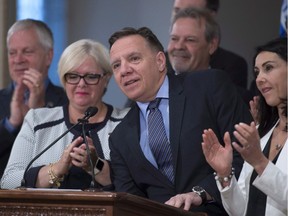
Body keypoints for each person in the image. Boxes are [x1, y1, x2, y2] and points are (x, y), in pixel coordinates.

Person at [108, 26, 253, 215]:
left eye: (134, 59)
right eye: (116, 65)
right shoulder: (120, 137)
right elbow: (128, 203)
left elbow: (247, 155)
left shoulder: (209, 87)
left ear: (160, 61)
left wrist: (200, 193)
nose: (124, 70)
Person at [175, 37, 287, 215]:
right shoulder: (262, 133)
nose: (259, 79)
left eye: (269, 68)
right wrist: (225, 175)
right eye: (257, 72)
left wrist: (259, 162)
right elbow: (240, 210)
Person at [1, 39, 129, 190]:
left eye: (91, 76)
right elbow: (8, 182)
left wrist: (97, 166)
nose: (81, 84)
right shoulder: (37, 120)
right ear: (63, 80)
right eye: (73, 76)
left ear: (106, 79)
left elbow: (137, 186)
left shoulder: (127, 121)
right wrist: (55, 169)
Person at [0, 19, 68, 179]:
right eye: (12, 53)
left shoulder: (70, 101)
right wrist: (11, 123)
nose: (18, 60)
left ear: (48, 56)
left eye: (27, 51)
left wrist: (38, 113)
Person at [167, 7, 253, 106]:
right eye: (174, 38)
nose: (179, 46)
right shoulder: (153, 91)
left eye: (190, 40)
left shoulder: (238, 99)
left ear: (212, 45)